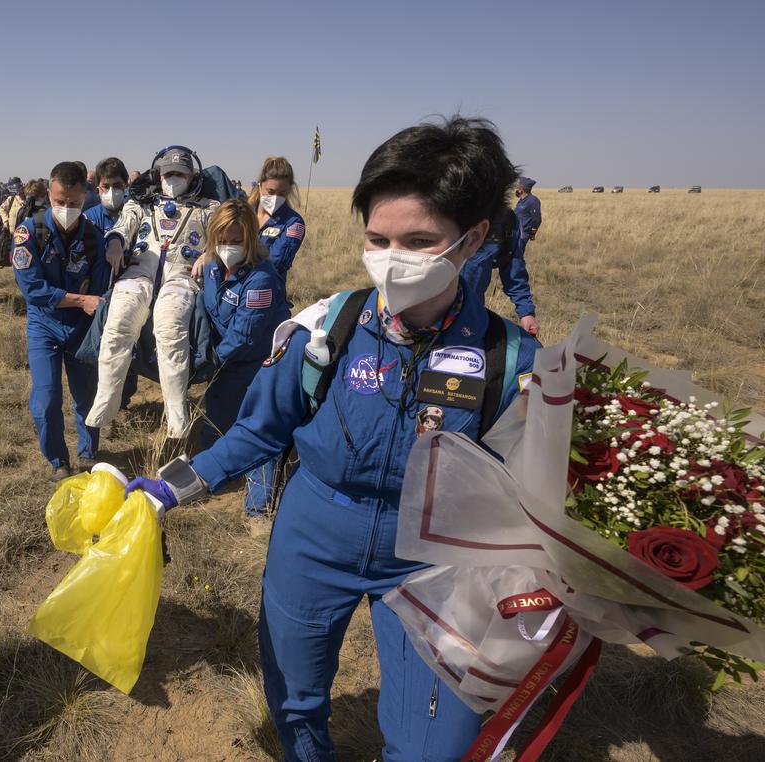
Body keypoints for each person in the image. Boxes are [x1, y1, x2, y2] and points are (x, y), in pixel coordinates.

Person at [127, 117, 539, 761]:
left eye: (420, 240)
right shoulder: (324, 331)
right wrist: (172, 486)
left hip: (438, 562)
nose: (394, 257)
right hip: (315, 536)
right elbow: (258, 430)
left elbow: (542, 487)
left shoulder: (513, 360)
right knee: (294, 704)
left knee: (437, 746)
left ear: (473, 239)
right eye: (378, 239)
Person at [85, 146, 218, 437]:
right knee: (119, 322)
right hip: (140, 271)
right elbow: (122, 226)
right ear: (158, 175)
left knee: (170, 331)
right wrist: (116, 243)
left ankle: (176, 414)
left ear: (192, 176)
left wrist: (209, 254)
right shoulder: (141, 203)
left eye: (179, 174)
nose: (173, 179)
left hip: (181, 276)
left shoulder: (210, 208)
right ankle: (106, 401)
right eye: (168, 174)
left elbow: (224, 236)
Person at [12, 162, 111, 480]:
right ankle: (58, 461)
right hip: (44, 326)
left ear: (86, 197)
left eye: (74, 203)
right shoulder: (29, 232)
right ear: (49, 194)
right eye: (59, 202)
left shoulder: (94, 238)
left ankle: (88, 451)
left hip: (82, 329)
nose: (66, 209)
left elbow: (98, 289)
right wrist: (81, 300)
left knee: (89, 397)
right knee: (46, 399)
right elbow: (33, 290)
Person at [197, 198, 288, 519]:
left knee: (258, 429)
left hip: (258, 363)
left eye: (235, 241)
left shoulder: (260, 278)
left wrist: (204, 363)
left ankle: (258, 509)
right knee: (215, 421)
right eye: (222, 240)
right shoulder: (210, 268)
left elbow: (244, 334)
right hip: (224, 363)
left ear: (249, 239)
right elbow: (207, 311)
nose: (228, 247)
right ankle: (204, 480)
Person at [82, 157, 137, 410]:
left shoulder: (137, 214)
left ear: (126, 185)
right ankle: (99, 401)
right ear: (98, 189)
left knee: (129, 351)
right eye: (106, 186)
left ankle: (123, 401)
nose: (112, 191)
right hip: (98, 296)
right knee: (100, 352)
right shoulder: (88, 219)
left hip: (133, 295)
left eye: (117, 185)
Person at [459, 205, 539, 335]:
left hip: (469, 321)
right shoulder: (429, 206)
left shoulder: (504, 220)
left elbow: (513, 269)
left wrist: (526, 312)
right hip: (420, 319)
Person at [247, 157, 306, 280]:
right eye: (271, 191)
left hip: (267, 290)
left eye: (282, 193)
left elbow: (276, 263)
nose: (275, 198)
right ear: (260, 186)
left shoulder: (293, 223)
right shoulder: (243, 213)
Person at [514, 175, 541, 249]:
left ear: (521, 189)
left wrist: (532, 234)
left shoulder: (533, 201)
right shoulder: (521, 200)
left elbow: (537, 220)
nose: (516, 188)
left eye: (517, 186)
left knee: (517, 257)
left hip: (523, 234)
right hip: (515, 233)